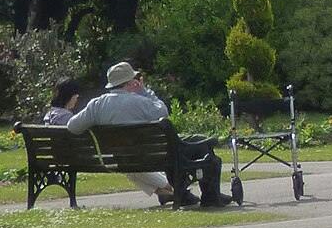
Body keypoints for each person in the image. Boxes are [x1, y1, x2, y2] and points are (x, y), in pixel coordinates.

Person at [67, 61, 228, 207]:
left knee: (188, 143)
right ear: (130, 82)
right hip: (150, 157)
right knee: (203, 144)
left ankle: (183, 194)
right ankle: (210, 196)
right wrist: (145, 91)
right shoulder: (140, 101)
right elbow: (163, 111)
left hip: (117, 158)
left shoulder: (96, 105)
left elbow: (72, 126)